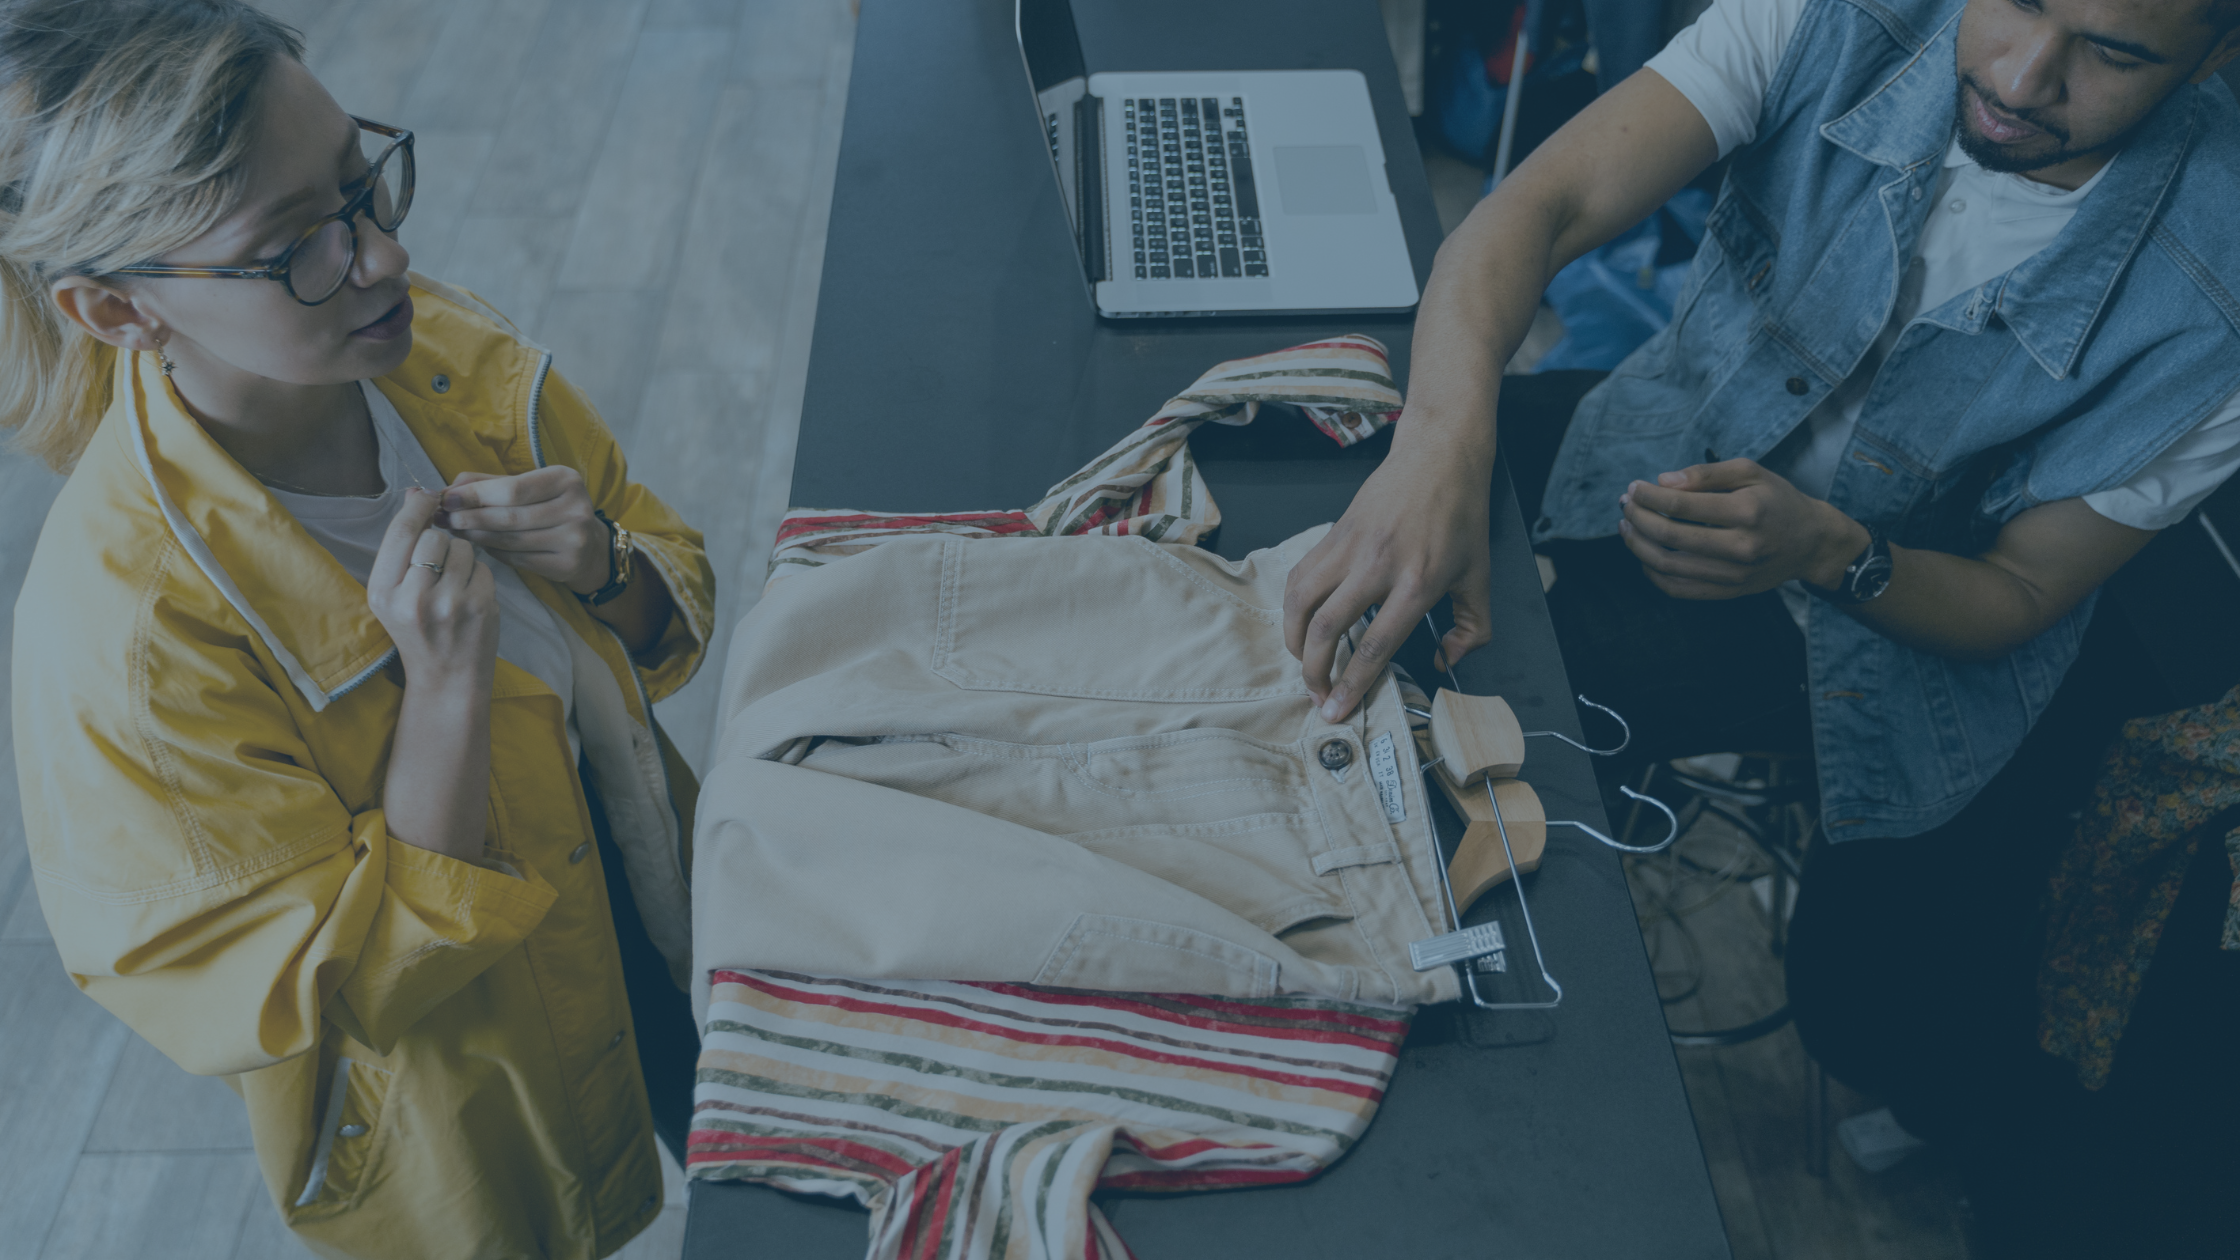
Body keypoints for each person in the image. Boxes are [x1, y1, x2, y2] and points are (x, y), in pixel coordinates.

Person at [1279, 0, 2239, 1250]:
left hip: (1876, 616)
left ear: (2219, 57)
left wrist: (1833, 551)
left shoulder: (2214, 298)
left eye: (2110, 54)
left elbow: (2014, 599)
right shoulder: (1837, 16)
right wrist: (1436, 445)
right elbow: (1536, 208)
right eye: (2012, 1)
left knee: (1484, 716)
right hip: (1665, 436)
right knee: (1319, 495)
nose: (2020, 75)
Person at [3, 3, 715, 1258]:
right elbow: (330, 992)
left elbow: (669, 600)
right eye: (295, 248)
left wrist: (607, 568)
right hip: (478, 1101)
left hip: (658, 903)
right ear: (117, 314)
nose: (381, 258)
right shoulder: (123, 646)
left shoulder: (442, 356)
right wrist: (445, 691)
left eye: (359, 180)